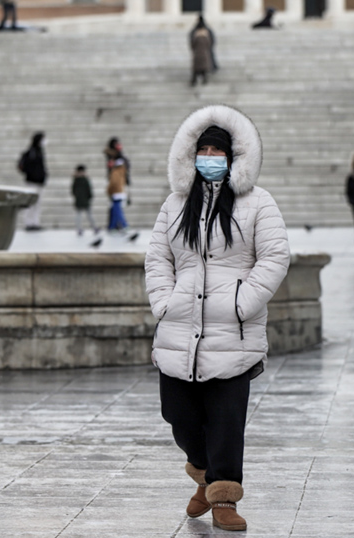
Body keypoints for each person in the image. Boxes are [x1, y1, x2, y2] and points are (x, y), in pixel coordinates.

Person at [145, 104, 290, 533]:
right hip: (179, 327)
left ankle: (224, 497)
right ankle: (204, 474)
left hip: (233, 332)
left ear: (233, 158)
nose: (210, 157)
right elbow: (158, 257)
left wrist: (243, 302)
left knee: (227, 418)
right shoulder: (175, 204)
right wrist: (164, 301)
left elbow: (275, 255)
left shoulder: (258, 203)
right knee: (178, 414)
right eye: (203, 149)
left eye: (218, 150)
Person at [18, 132, 47, 231]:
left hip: (39, 182)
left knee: (38, 204)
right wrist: (32, 174)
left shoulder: (39, 151)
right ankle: (28, 223)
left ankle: (35, 222)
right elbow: (26, 166)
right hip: (32, 181)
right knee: (30, 203)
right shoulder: (31, 152)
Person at [104, 137, 130, 231]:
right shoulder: (114, 160)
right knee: (116, 207)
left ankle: (112, 226)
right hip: (115, 185)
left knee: (114, 206)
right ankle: (121, 225)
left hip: (118, 184)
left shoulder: (119, 160)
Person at [71, 165, 98, 235]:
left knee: (79, 215)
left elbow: (73, 191)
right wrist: (90, 197)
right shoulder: (85, 179)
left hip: (79, 200)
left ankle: (79, 229)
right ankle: (94, 227)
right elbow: (89, 190)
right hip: (85, 200)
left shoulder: (75, 180)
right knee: (89, 215)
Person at [190, 18, 214, 86]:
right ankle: (204, 79)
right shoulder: (206, 35)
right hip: (204, 54)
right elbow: (210, 44)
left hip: (197, 54)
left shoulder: (196, 35)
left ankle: (194, 81)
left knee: (196, 69)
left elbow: (192, 44)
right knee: (203, 68)